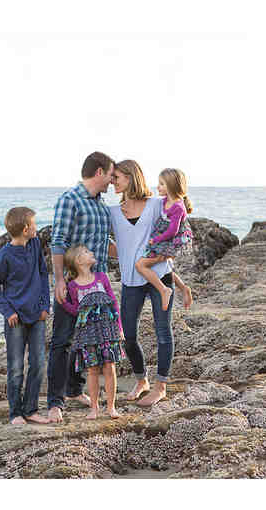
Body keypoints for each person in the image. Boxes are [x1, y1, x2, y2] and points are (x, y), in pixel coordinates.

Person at [109, 160, 192, 407]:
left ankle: (160, 387)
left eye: (116, 177)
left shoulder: (157, 204)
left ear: (130, 178)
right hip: (131, 280)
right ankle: (141, 380)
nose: (112, 182)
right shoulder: (112, 212)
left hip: (161, 277)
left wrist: (173, 274)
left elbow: (178, 234)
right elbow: (119, 246)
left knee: (163, 331)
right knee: (129, 336)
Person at [48, 151, 116, 423]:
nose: (112, 180)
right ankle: (55, 402)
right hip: (73, 285)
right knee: (62, 342)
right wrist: (59, 280)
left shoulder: (102, 206)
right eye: (111, 174)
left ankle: (75, 390)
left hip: (98, 287)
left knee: (87, 341)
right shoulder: (70, 200)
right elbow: (58, 241)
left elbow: (105, 244)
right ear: (99, 172)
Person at [0, 207, 51, 425]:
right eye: (34, 224)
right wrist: (8, 311)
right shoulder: (4, 255)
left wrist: (45, 305)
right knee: (15, 368)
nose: (36, 228)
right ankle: (15, 413)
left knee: (38, 363)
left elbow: (43, 274)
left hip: (37, 316)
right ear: (25, 229)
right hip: (15, 319)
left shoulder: (35, 245)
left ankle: (31, 410)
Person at [60, 245, 125, 420]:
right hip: (87, 334)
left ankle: (111, 407)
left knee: (110, 367)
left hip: (107, 330)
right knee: (92, 370)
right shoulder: (73, 286)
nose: (91, 253)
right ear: (79, 261)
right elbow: (77, 311)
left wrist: (119, 327)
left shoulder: (102, 277)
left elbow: (113, 303)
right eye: (86, 252)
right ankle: (94, 408)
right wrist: (63, 302)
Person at [135, 168, 194, 311]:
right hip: (163, 238)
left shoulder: (178, 207)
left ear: (172, 186)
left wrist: (156, 240)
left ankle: (163, 290)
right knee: (163, 268)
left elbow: (172, 231)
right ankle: (183, 288)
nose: (158, 187)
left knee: (140, 265)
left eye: (161, 184)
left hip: (169, 241)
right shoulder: (165, 200)